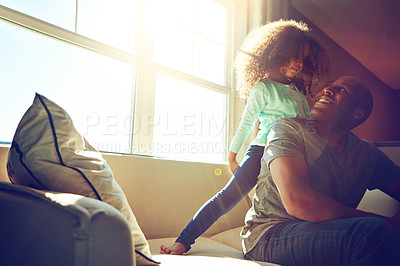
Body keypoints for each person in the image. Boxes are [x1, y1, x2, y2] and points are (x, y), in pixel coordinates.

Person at [161, 19, 330, 255]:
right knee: (228, 197)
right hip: (262, 151)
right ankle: (182, 241)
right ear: (277, 54)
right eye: (294, 55)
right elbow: (246, 123)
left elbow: (306, 127)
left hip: (293, 154)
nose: (299, 62)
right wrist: (232, 156)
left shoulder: (298, 92)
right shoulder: (263, 89)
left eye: (303, 56)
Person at [242, 76, 400, 265]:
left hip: (323, 231)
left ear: (357, 114)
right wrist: (388, 224)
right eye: (329, 85)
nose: (327, 90)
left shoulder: (367, 154)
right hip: (269, 234)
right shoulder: (288, 128)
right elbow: (298, 202)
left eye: (342, 90)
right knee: (374, 234)